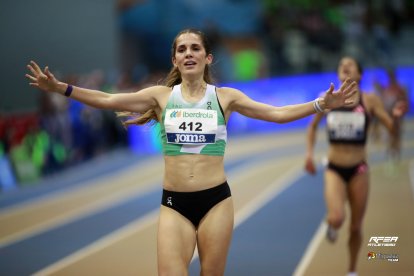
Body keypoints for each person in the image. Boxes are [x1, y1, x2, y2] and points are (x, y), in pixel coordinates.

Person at [26, 29, 357, 276]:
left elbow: (276, 114)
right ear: (174, 59)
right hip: (174, 204)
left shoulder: (226, 97)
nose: (188, 53)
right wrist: (61, 88)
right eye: (181, 49)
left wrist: (319, 104)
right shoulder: (160, 97)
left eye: (195, 48)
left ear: (206, 57)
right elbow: (109, 101)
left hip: (216, 202)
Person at [304, 56, 407, 276]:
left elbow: (393, 131)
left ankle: (352, 270)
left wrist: (396, 119)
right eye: (341, 65)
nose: (345, 66)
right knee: (338, 218)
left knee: (356, 227)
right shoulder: (327, 99)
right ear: (338, 74)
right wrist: (309, 155)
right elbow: (312, 127)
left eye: (350, 65)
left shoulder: (369, 101)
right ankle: (331, 224)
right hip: (334, 168)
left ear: (359, 75)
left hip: (359, 169)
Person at [373, 68, 409, 161]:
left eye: (392, 76)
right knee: (390, 133)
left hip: (398, 116)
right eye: (390, 76)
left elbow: (404, 100)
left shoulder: (399, 88)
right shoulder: (387, 88)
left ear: (394, 76)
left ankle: (396, 152)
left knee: (396, 134)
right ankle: (391, 151)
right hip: (389, 114)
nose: (391, 78)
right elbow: (382, 97)